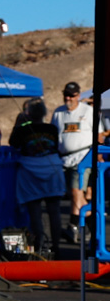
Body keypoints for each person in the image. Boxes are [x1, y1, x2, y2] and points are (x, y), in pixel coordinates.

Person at [51, 81, 106, 245]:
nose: (69, 98)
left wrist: (99, 155)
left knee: (76, 193)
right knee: (75, 195)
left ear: (78, 96)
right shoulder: (58, 113)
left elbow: (99, 135)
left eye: (72, 95)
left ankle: (80, 226)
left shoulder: (88, 111)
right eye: (66, 95)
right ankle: (84, 225)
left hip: (83, 156)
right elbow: (54, 135)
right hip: (64, 159)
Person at [9, 98, 65, 257]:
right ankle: (56, 246)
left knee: (35, 211)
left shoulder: (22, 130)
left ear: (28, 113)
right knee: (54, 211)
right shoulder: (52, 129)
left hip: (30, 171)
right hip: (52, 169)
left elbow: (14, 144)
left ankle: (39, 245)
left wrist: (18, 124)